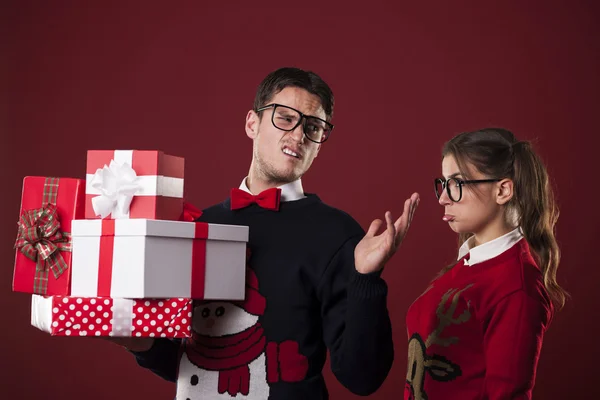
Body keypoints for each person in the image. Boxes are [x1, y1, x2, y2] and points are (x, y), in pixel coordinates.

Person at [111, 67, 420, 400]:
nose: (299, 135)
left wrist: (366, 278)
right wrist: (136, 341)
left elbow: (363, 378)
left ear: (319, 144)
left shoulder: (338, 234)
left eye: (313, 127)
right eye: (285, 118)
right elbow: (189, 361)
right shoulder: (198, 227)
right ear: (252, 124)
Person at [404, 128, 567, 400]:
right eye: (443, 184)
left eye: (456, 184)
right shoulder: (469, 264)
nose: (443, 198)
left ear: (503, 190)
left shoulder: (516, 287)